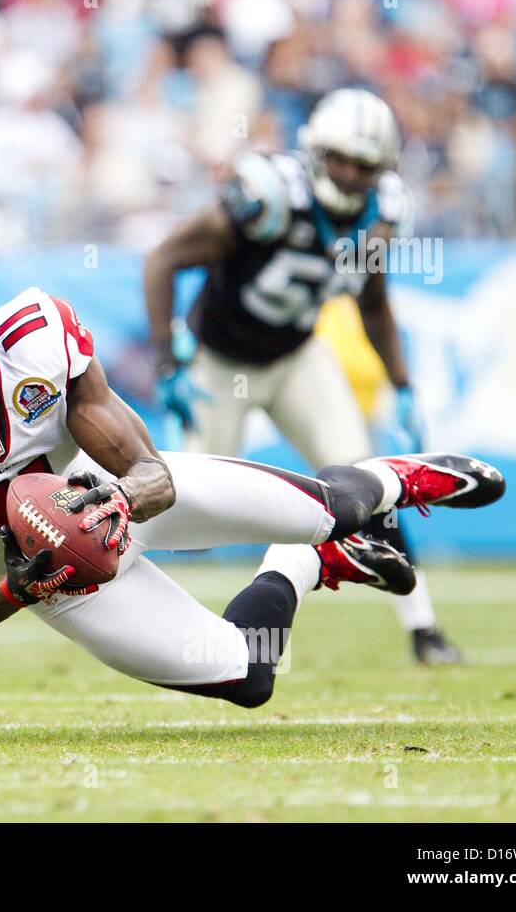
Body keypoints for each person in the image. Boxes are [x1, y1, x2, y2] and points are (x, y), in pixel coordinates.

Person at [0, 256, 504, 703]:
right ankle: (307, 564)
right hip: (57, 575)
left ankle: (405, 479)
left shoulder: (37, 336)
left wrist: (120, 500)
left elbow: (151, 470)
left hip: (106, 492)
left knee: (334, 505)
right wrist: (21, 585)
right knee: (250, 676)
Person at [143, 88, 462, 665]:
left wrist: (403, 383)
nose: (352, 173)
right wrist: (169, 359)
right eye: (343, 158)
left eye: (366, 165)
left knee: (369, 482)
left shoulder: (381, 214)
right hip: (219, 360)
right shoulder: (268, 196)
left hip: (296, 358)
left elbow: (373, 304)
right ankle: (145, 617)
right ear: (317, 151)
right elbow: (162, 258)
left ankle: (424, 629)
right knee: (182, 512)